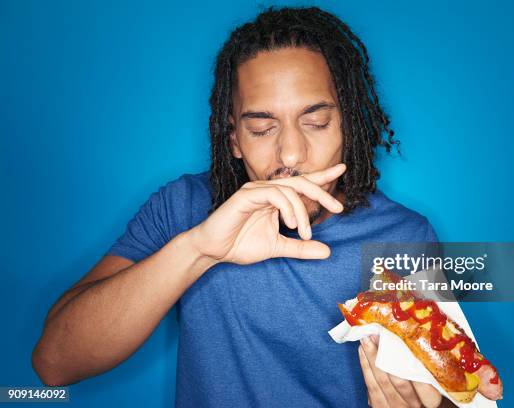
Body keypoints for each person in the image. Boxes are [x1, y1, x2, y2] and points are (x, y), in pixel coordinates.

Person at [32, 6, 446, 408]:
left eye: (315, 122)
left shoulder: (405, 236)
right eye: (262, 128)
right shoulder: (184, 207)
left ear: (348, 124)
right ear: (234, 140)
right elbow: (54, 363)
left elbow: (451, 387)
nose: (291, 154)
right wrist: (199, 250)